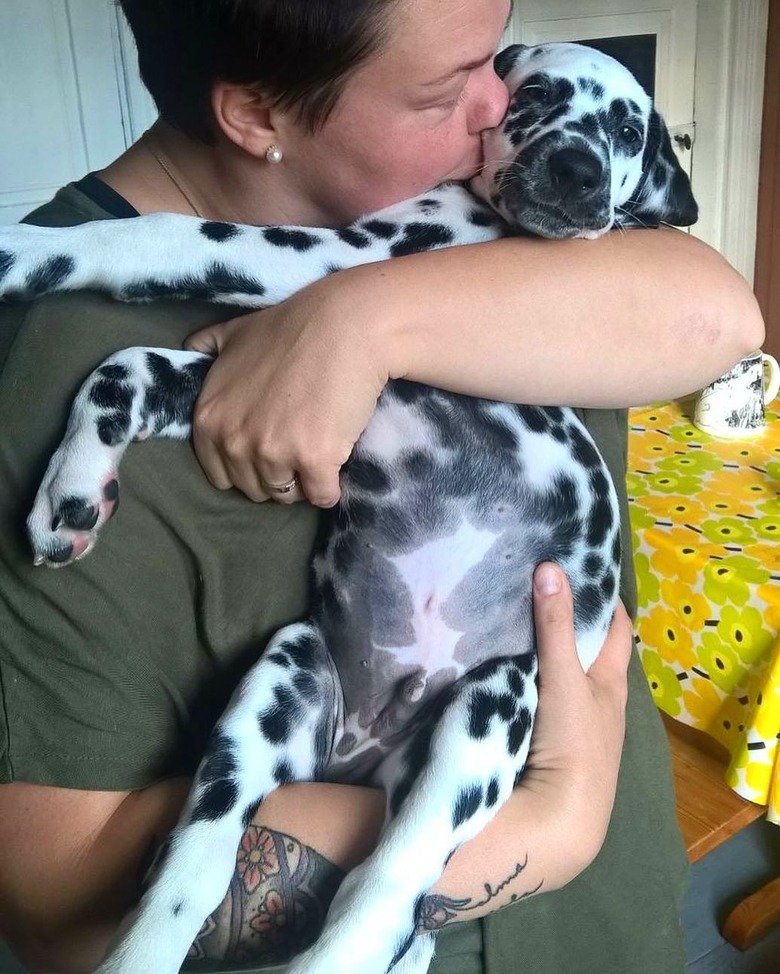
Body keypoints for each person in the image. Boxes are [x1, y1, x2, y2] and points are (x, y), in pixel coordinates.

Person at [0, 1, 764, 972]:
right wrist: (545, 827)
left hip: (615, 922)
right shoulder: (45, 368)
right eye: (449, 87)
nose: (503, 104)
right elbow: (56, 914)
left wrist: (363, 319)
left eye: (502, 55)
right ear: (258, 116)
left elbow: (722, 313)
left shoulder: (509, 212)